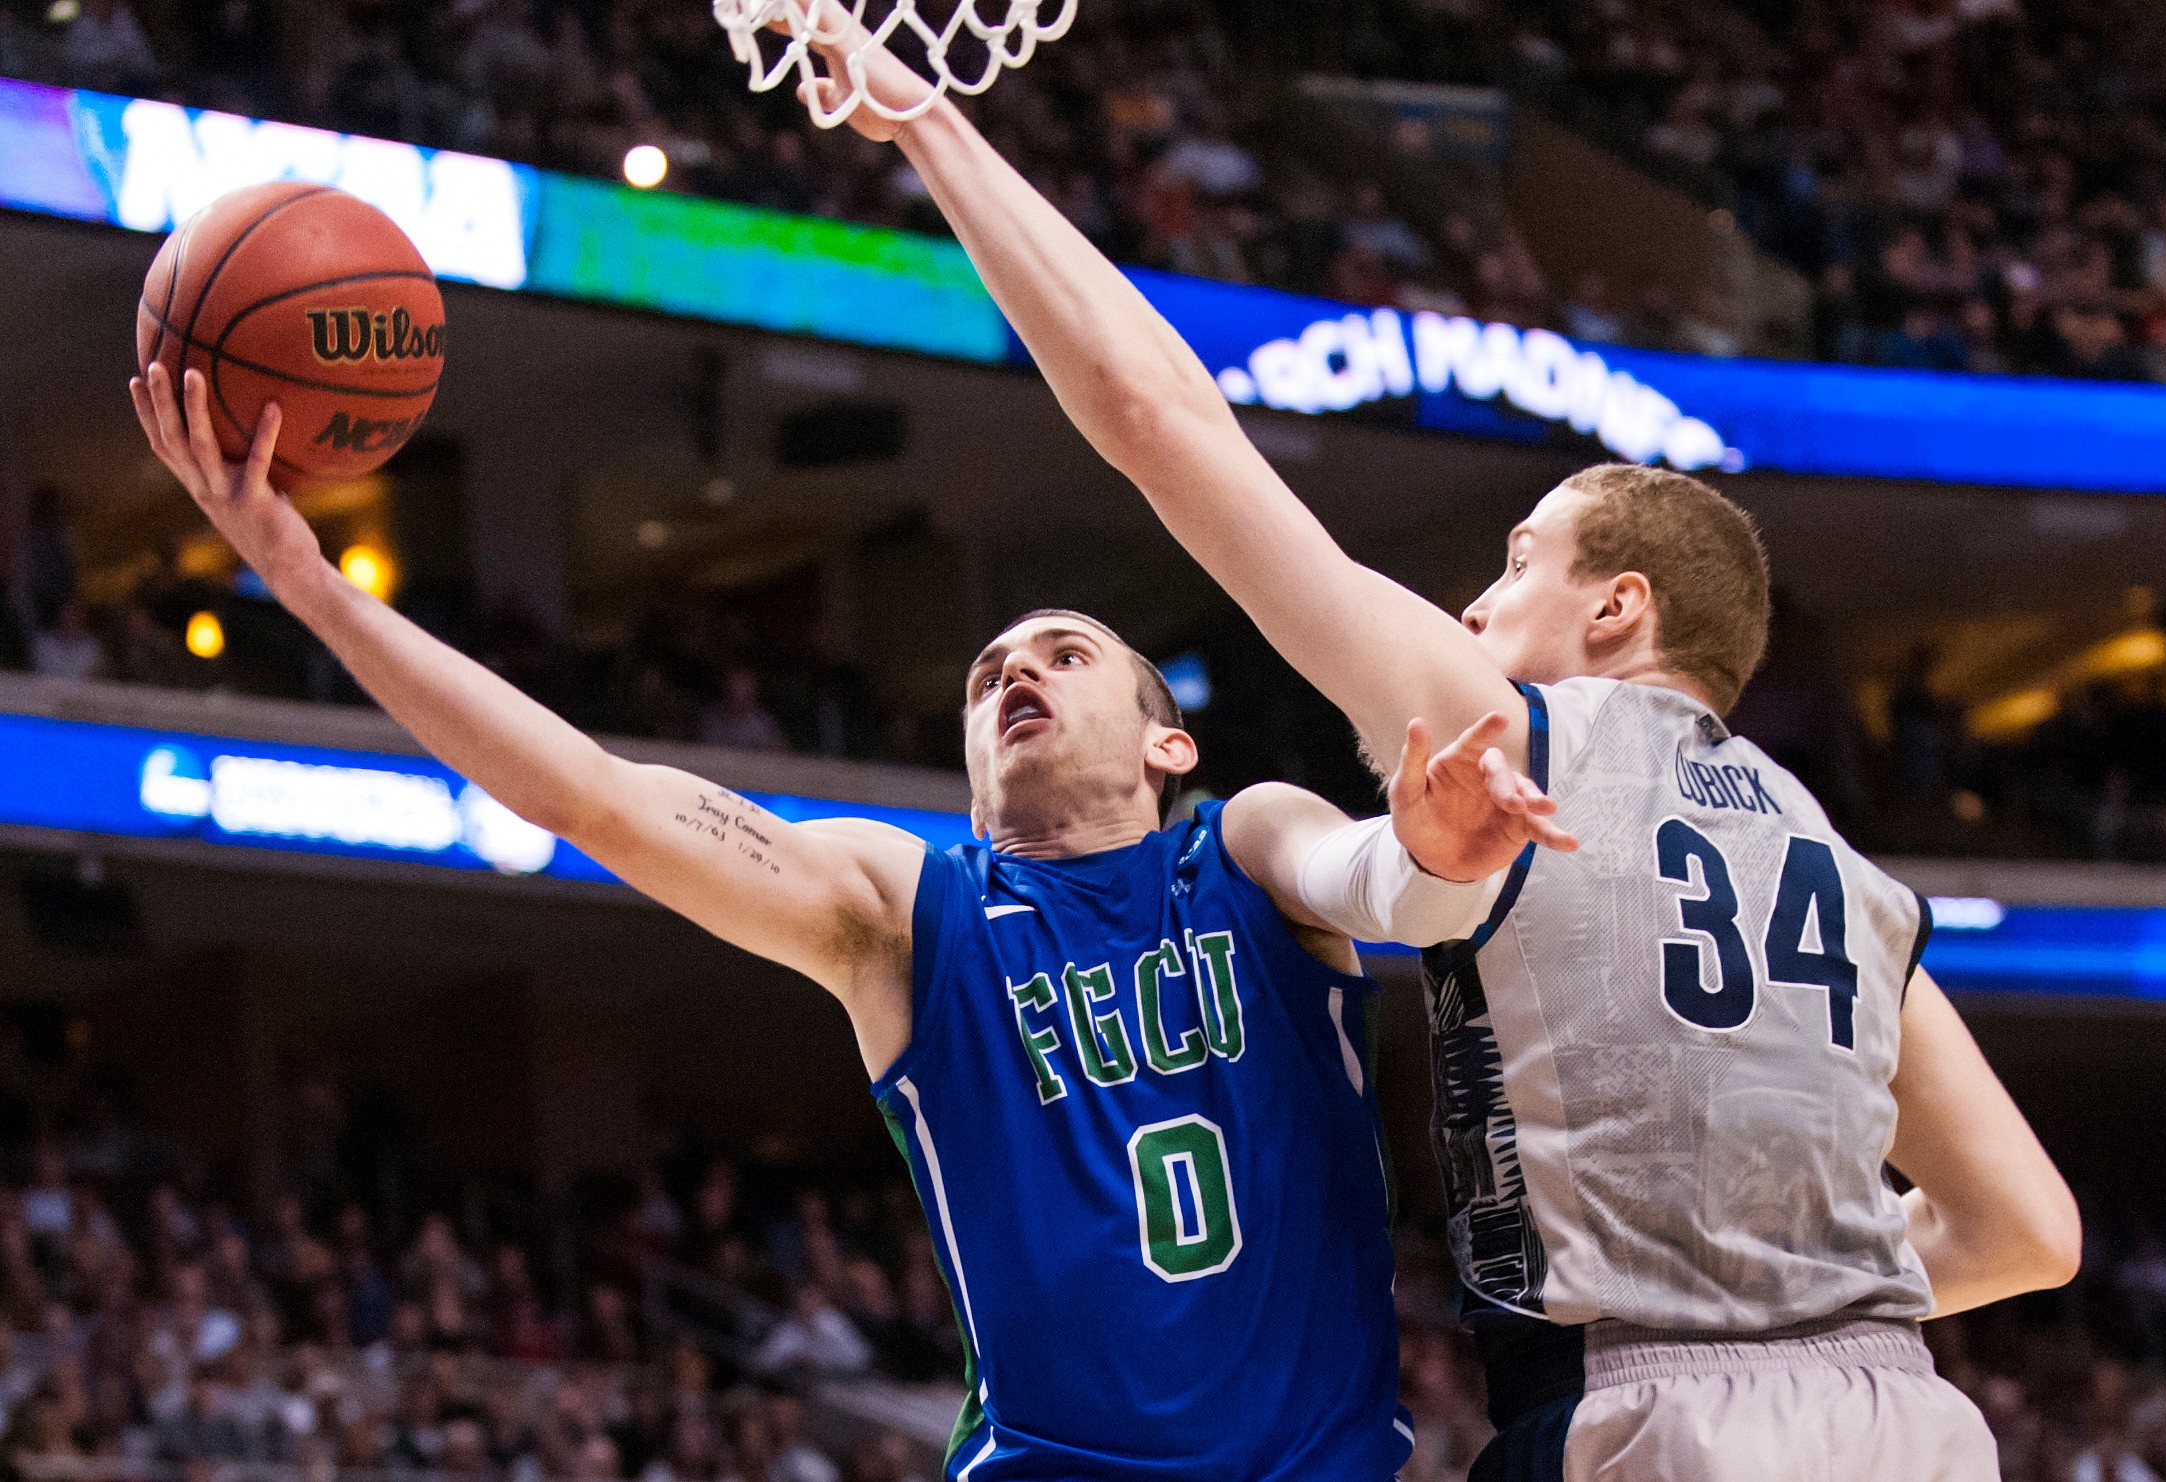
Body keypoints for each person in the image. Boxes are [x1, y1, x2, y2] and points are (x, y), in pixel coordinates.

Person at [792, 28, 2081, 1481]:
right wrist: (1794, 1310)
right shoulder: (1844, 870)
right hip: (1908, 1416)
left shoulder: (1512, 734)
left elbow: (1157, 420)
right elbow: (2027, 1232)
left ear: (1617, 606)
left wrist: (930, 130)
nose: (1473, 603)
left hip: (1651, 1414)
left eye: (1516, 561)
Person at [129, 360, 1571, 1481]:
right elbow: (598, 797)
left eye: (1065, 655)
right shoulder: (908, 909)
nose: (1015, 673)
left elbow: (1363, 879)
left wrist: (1422, 855)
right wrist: (311, 587)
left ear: (1165, 743)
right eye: (986, 671)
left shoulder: (1243, 845)